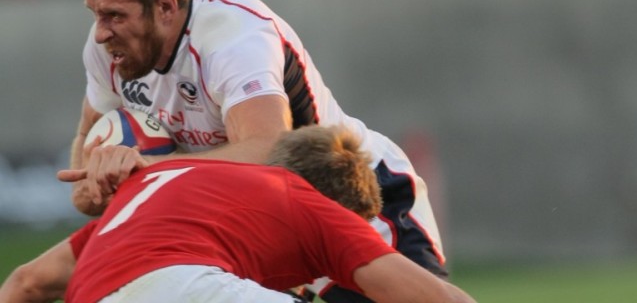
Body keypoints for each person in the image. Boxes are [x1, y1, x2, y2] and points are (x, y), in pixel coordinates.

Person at [70, 0, 448, 301]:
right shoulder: (108, 50)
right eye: (95, 14)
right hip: (263, 222)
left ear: (166, 5)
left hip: (354, 199)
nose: (100, 32)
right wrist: (100, 177)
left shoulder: (232, 35)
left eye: (115, 15)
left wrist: (148, 170)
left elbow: (266, 147)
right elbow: (85, 163)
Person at [0, 126, 477, 303]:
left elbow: (27, 283)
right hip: (186, 288)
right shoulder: (300, 197)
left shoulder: (156, 187)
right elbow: (435, 299)